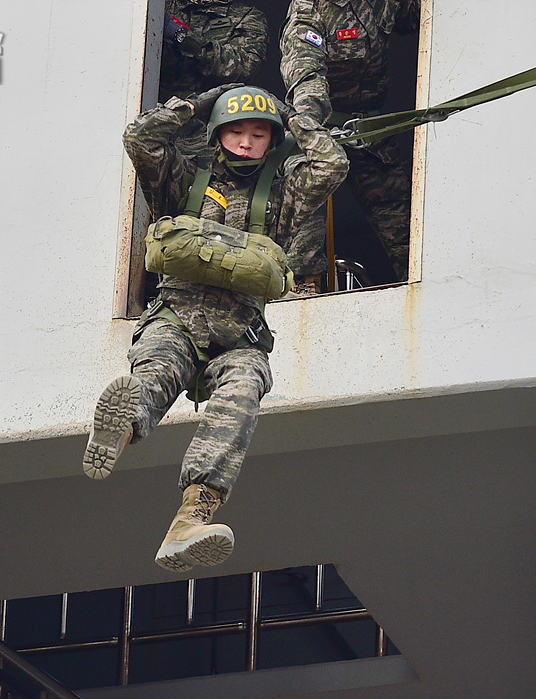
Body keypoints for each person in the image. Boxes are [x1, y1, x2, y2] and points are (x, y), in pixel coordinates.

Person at [84, 85, 348, 572]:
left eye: (258, 134)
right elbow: (140, 138)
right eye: (236, 130)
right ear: (217, 133)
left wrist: (294, 119)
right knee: (158, 370)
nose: (247, 142)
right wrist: (198, 103)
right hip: (176, 316)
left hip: (239, 335)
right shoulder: (183, 177)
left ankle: (191, 517)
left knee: (245, 388)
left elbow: (331, 165)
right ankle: (122, 424)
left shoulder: (285, 193)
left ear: (272, 141)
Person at [280, 0, 420, 289]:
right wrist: (310, 126)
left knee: (410, 234)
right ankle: (303, 288)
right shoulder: (310, 10)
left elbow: (422, 16)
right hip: (320, 128)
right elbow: (305, 73)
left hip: (372, 133)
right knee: (305, 199)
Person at [159, 0, 269, 162]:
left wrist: (183, 37)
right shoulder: (165, 5)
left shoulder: (246, 17)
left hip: (205, 137)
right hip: (157, 123)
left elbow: (240, 69)